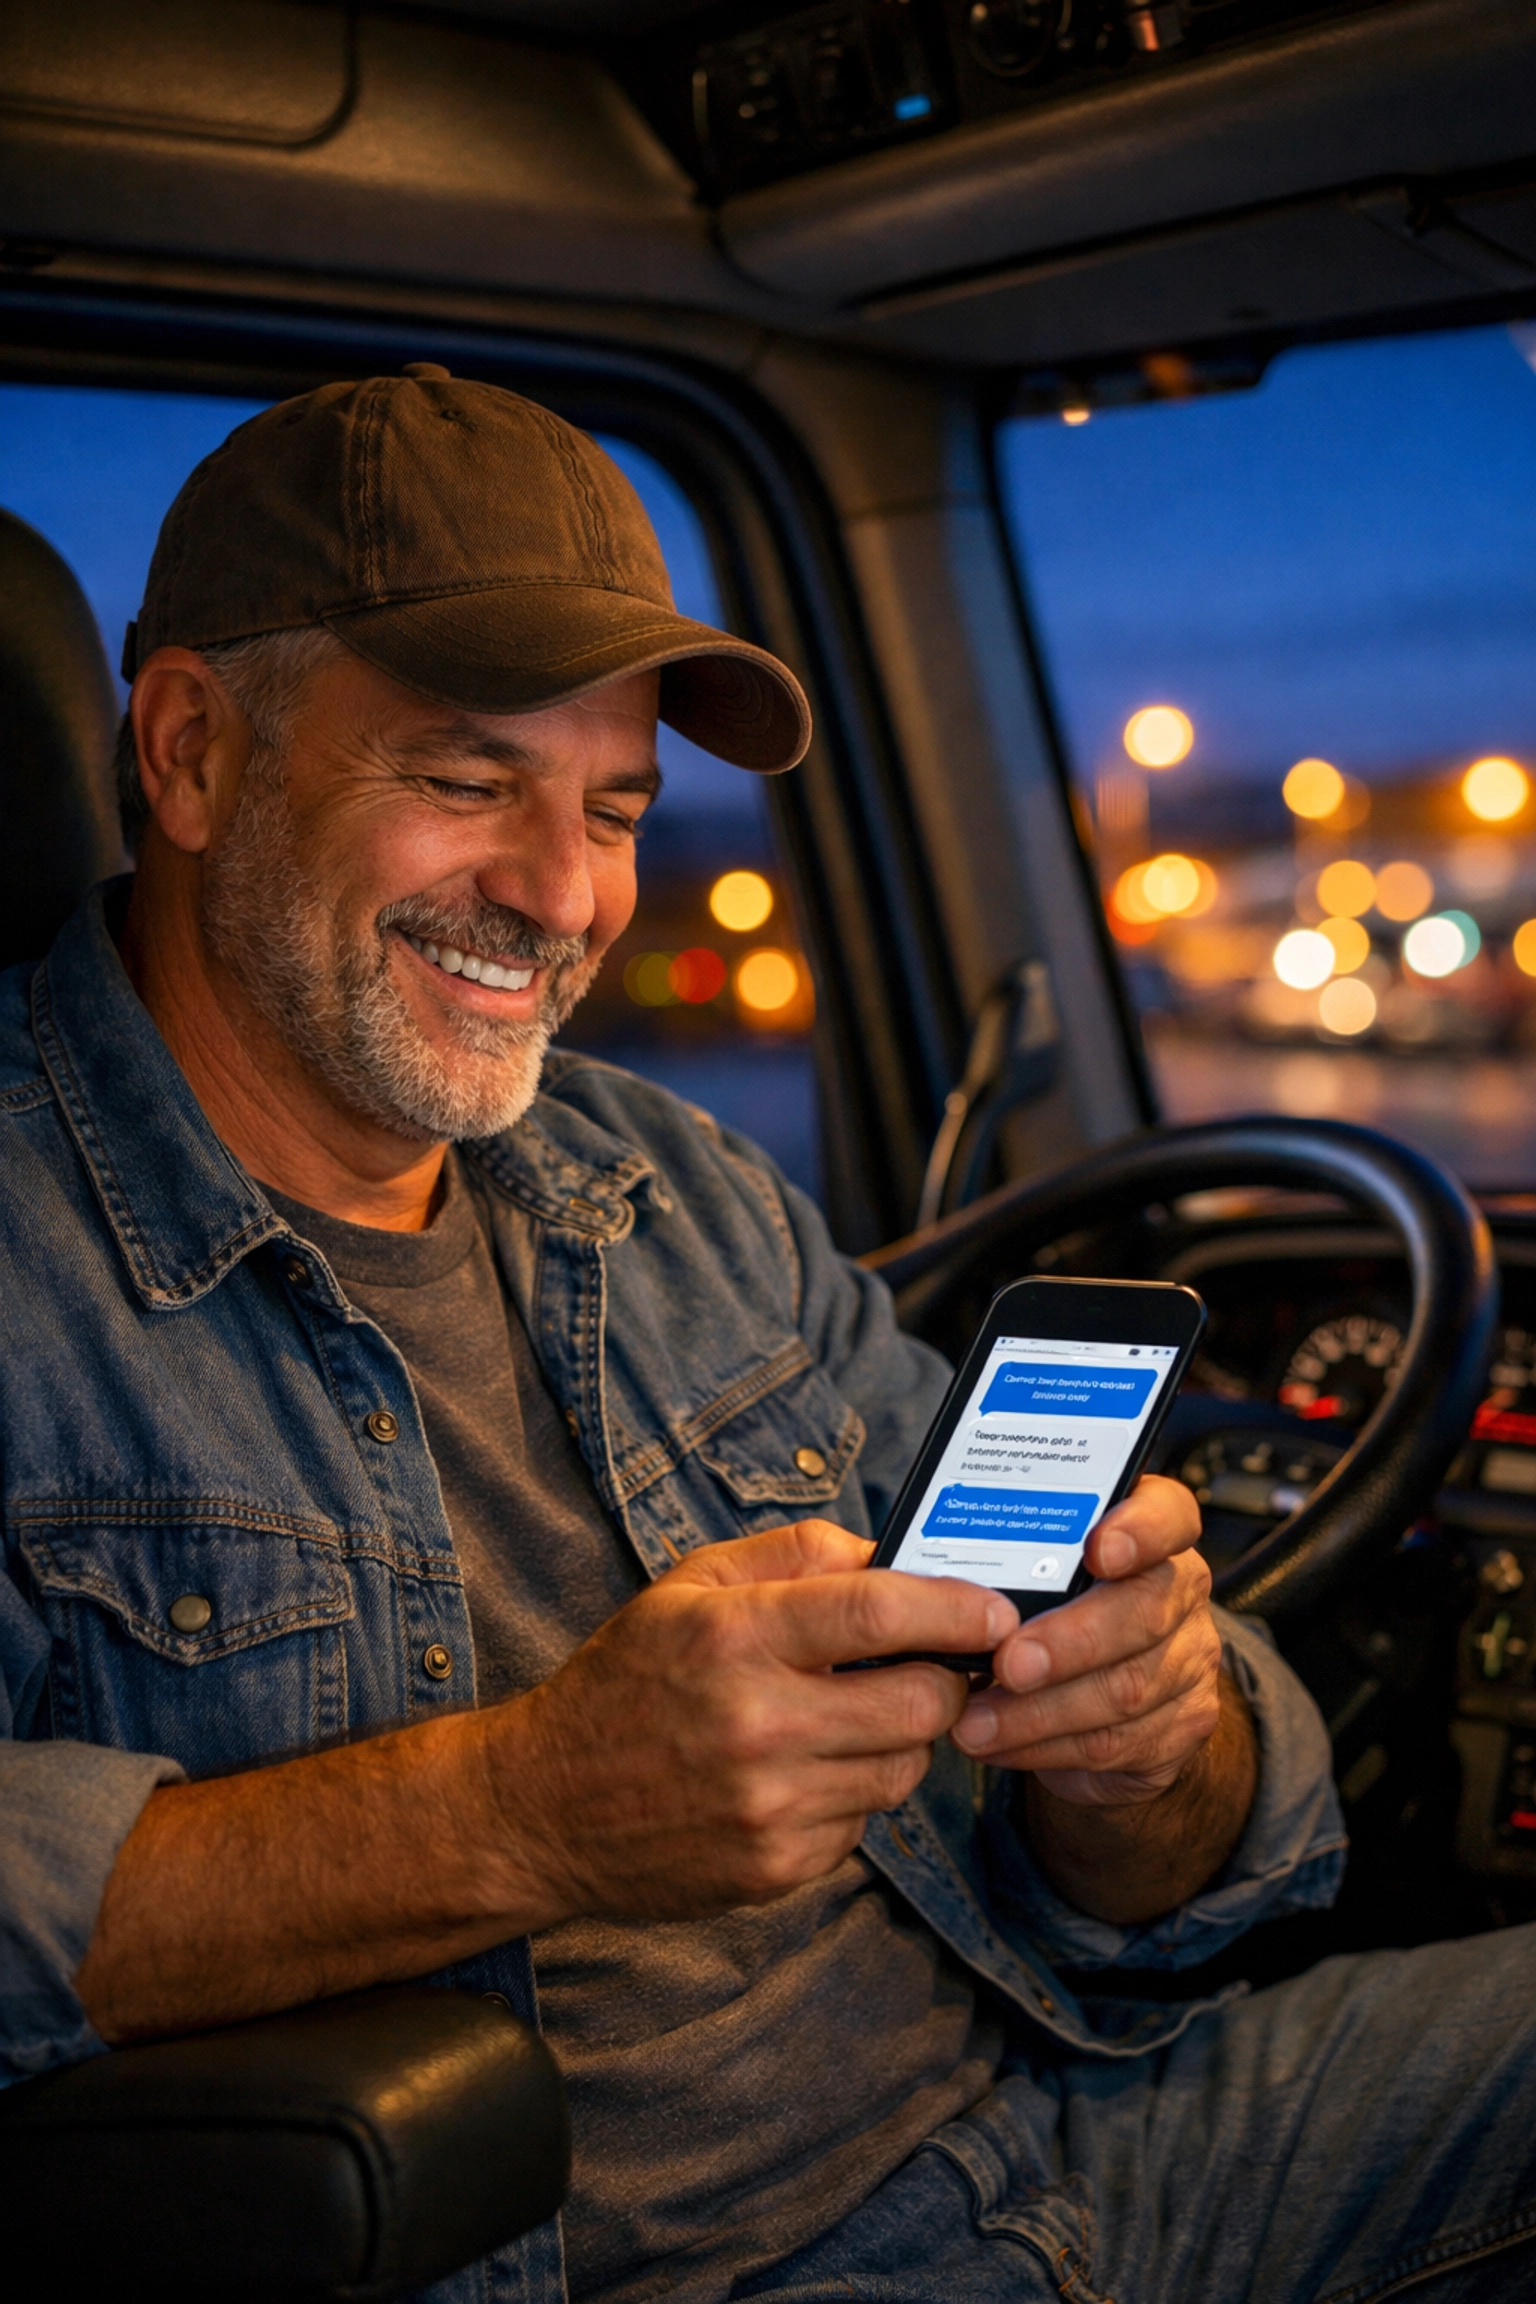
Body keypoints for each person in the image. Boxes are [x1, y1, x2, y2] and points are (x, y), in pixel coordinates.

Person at [1, 366, 1531, 2304]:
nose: (562, 898)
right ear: (194, 753)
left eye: (615, 807)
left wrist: (1151, 1751)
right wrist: (516, 1810)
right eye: (469, 782)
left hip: (1089, 2134)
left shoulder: (667, 1186)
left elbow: (1158, 1890)